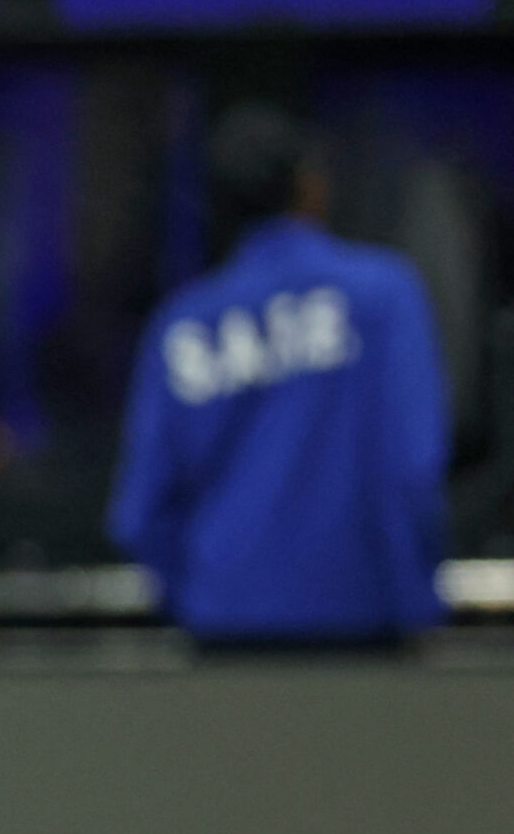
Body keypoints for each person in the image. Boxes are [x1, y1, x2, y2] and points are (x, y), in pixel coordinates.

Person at [109, 101, 449, 645]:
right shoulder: (384, 296)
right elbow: (412, 470)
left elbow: (140, 514)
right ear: (310, 186)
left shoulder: (182, 325)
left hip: (224, 634)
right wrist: (412, 604)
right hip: (364, 627)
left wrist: (204, 597)